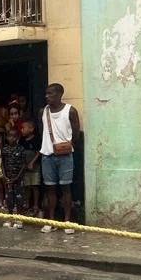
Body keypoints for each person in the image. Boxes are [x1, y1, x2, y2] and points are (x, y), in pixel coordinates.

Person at [40, 83, 80, 235]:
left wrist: (66, 145)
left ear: (59, 94)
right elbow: (40, 129)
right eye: (46, 93)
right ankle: (51, 221)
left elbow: (76, 134)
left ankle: (67, 221)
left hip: (65, 156)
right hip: (47, 155)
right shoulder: (43, 111)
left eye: (50, 93)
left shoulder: (70, 111)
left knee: (66, 189)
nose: (47, 96)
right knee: (50, 189)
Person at [0, 129, 26, 229]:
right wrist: (5, 176)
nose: (12, 138)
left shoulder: (21, 149)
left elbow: (24, 165)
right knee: (9, 199)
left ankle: (19, 219)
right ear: (7, 137)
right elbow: (2, 164)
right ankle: (10, 218)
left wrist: (16, 178)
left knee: (19, 199)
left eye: (14, 136)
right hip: (8, 179)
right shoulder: (4, 149)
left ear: (17, 138)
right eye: (10, 136)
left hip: (18, 179)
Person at [19, 119, 41, 216]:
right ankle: (27, 204)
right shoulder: (21, 140)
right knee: (27, 186)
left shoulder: (36, 140)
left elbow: (38, 152)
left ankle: (35, 205)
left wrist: (32, 162)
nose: (22, 130)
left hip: (35, 167)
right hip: (25, 168)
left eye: (24, 128)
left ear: (31, 129)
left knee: (35, 185)